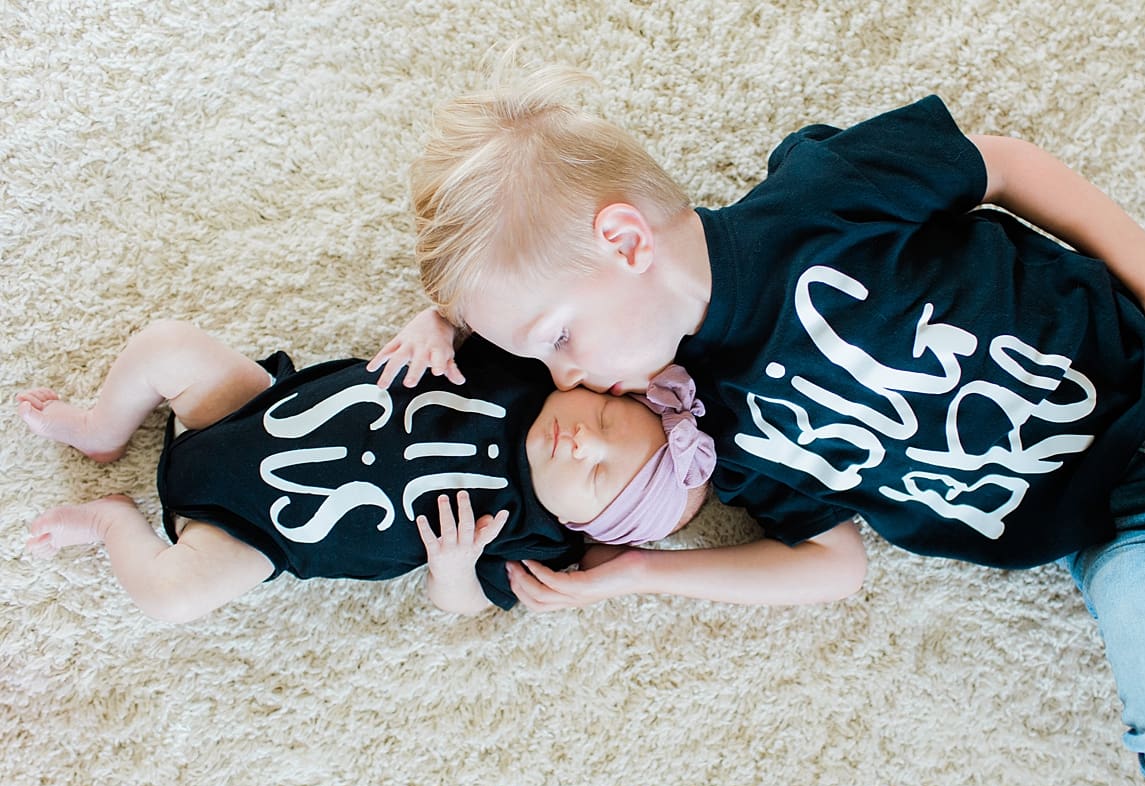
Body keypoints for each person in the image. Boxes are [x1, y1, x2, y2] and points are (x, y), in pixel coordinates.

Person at [369, 64, 1145, 786]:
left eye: (557, 340)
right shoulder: (716, 426)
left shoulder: (819, 197)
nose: (565, 379)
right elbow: (830, 568)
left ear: (626, 242)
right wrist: (642, 575)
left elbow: (1001, 165)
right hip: (1116, 528)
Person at [17, 315, 714, 623]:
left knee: (171, 597)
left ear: (582, 521)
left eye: (595, 474)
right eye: (601, 420)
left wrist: (453, 570)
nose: (579, 442)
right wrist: (437, 323)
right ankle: (100, 428)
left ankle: (112, 524)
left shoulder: (537, 539)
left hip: (259, 536)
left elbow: (466, 607)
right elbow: (480, 305)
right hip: (252, 408)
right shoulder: (522, 373)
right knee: (165, 343)